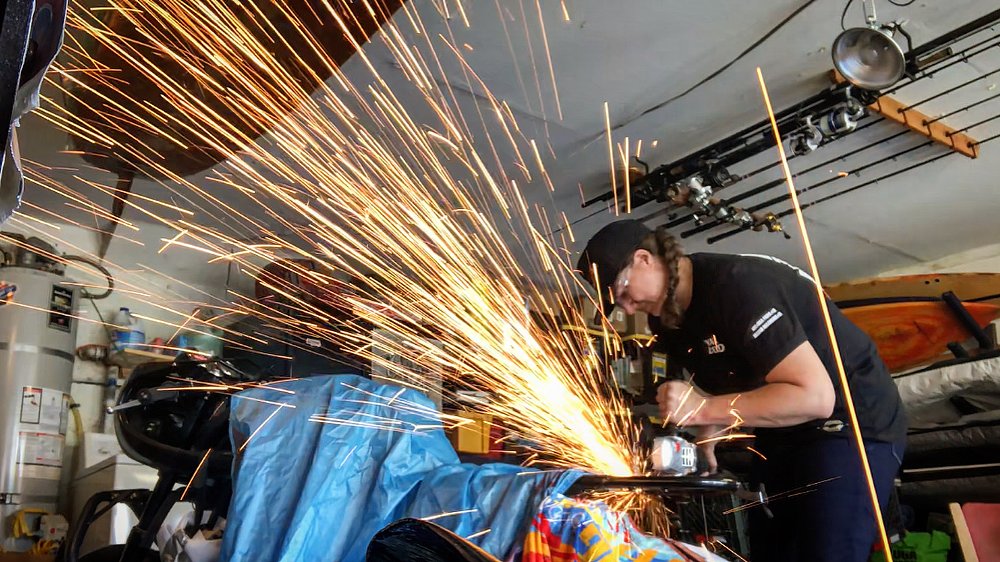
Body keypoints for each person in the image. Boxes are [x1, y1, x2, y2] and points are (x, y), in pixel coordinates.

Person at [577, 219, 907, 562]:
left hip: (852, 425)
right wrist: (711, 429)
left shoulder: (737, 287)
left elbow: (815, 397)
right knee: (767, 551)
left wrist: (704, 408)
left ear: (645, 258)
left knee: (826, 552)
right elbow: (736, 390)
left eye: (624, 291)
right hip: (784, 433)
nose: (627, 308)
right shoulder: (670, 321)